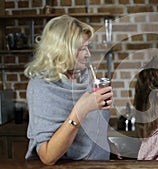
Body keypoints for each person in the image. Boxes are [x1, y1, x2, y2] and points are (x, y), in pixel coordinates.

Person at [24, 15, 114, 165]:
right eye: (83, 48)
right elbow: (48, 156)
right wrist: (80, 110)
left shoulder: (87, 77)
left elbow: (91, 132)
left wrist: (108, 146)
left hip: (100, 163)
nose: (88, 54)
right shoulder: (41, 87)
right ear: (63, 50)